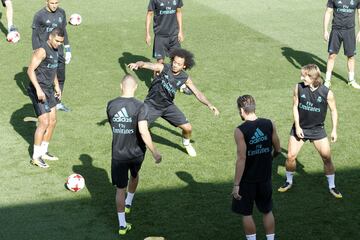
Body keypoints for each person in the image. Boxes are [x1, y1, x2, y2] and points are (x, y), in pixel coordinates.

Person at [128, 48, 220, 157]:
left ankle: (186, 144)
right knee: (138, 130)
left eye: (179, 64)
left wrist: (209, 105)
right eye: (174, 62)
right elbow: (147, 65)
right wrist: (138, 64)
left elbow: (197, 93)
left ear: (184, 66)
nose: (175, 65)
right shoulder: (163, 67)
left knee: (188, 128)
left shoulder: (184, 77)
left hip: (168, 107)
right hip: (152, 105)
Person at [107, 74, 162, 236]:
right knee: (135, 175)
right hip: (137, 152)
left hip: (118, 154)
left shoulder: (111, 105)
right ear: (136, 87)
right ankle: (129, 202)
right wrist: (155, 152)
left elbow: (113, 125)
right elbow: (144, 132)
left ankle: (122, 225)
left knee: (119, 189)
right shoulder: (141, 106)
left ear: (120, 86)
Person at [278, 64, 342, 198]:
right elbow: (295, 106)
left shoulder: (327, 93)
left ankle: (332, 186)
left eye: (304, 76)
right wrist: (297, 126)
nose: (301, 78)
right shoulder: (298, 87)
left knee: (327, 158)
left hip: (317, 130)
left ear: (313, 77)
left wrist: (334, 130)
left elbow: (334, 110)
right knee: (290, 156)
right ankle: (288, 181)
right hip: (300, 128)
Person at [232, 95, 281, 240]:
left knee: (247, 213)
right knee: (267, 211)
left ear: (242, 110)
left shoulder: (240, 130)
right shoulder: (269, 123)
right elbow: (277, 149)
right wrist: (268, 157)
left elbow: (242, 158)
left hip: (247, 180)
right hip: (265, 177)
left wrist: (236, 185)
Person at [27, 27, 64, 169]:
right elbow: (30, 70)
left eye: (61, 42)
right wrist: (38, 89)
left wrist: (57, 86)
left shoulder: (56, 50)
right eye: (57, 41)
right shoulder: (41, 50)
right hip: (38, 89)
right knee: (44, 122)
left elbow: (52, 69)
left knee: (53, 121)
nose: (59, 44)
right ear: (50, 37)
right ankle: (36, 157)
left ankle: (44, 151)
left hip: (49, 89)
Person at [32, 0, 72, 112]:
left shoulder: (62, 13)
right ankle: (42, 101)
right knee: (46, 78)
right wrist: (35, 50)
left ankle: (57, 102)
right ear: (46, 2)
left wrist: (67, 48)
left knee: (61, 77)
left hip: (58, 51)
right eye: (52, 3)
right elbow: (34, 35)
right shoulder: (39, 15)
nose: (54, 5)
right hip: (45, 52)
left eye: (56, 3)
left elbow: (63, 31)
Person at [323, 0, 360, 89]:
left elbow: (359, 13)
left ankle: (351, 80)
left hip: (350, 31)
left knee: (351, 56)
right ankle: (327, 80)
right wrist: (325, 30)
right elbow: (328, 12)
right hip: (336, 30)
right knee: (332, 55)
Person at [146, 0, 184, 64]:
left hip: (174, 34)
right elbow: (149, 14)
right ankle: (158, 74)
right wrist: (147, 34)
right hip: (160, 35)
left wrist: (180, 31)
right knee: (160, 62)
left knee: (176, 60)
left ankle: (170, 74)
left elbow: (179, 12)